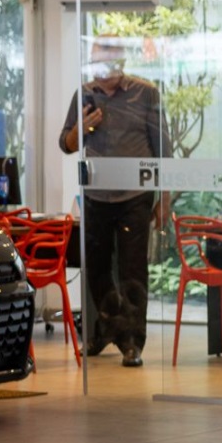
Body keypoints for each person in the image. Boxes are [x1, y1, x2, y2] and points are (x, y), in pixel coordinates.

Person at [59, 38, 171, 367]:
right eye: (96, 63)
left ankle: (132, 342)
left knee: (132, 270)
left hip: (135, 195)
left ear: (120, 64)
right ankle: (109, 329)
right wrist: (81, 129)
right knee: (96, 268)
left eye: (107, 63)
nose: (101, 70)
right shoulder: (84, 94)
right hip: (95, 196)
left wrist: (164, 199)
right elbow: (66, 144)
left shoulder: (146, 93)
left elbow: (163, 149)